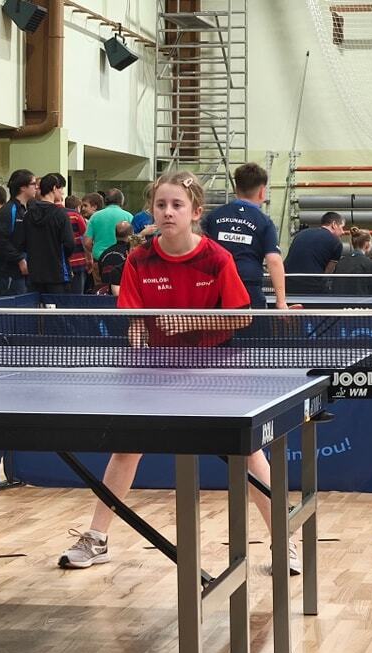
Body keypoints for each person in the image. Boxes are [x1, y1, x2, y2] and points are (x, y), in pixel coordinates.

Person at [58, 171, 301, 575]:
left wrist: (191, 321)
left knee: (248, 453)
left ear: (195, 212)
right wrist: (138, 332)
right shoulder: (139, 259)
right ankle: (97, 537)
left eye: (177, 205)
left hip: (214, 367)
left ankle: (283, 539)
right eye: (161, 205)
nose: (168, 212)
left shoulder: (216, 258)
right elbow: (135, 316)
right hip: (158, 368)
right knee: (126, 449)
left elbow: (242, 317)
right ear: (151, 211)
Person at [202, 162, 287, 309]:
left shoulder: (213, 216)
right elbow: (274, 260)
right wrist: (281, 301)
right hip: (248, 289)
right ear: (262, 191)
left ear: (236, 189)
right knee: (253, 325)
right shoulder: (264, 222)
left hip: (215, 287)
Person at [20, 173, 75, 294]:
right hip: (57, 273)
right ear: (54, 188)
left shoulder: (28, 215)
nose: (62, 193)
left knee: (35, 305)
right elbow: (70, 243)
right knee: (57, 305)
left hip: (34, 273)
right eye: (61, 189)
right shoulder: (61, 215)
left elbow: (22, 242)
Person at [0, 169, 38, 295]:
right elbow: (2, 241)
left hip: (25, 271)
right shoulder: (8, 210)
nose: (36, 187)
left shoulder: (27, 209)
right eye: (33, 184)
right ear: (23, 187)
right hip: (9, 272)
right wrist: (20, 259)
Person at [283, 211, 345, 294]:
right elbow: (327, 274)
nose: (343, 232)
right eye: (342, 227)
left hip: (288, 285)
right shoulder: (336, 242)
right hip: (312, 288)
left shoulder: (300, 234)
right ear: (334, 224)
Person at [84, 188, 133, 278]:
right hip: (123, 261)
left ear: (105, 201)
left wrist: (95, 251)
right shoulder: (129, 216)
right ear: (121, 201)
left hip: (99, 260)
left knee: (101, 286)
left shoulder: (95, 217)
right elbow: (134, 241)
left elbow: (87, 242)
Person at [332, 226, 372, 295]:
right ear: (367, 244)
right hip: (361, 300)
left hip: (340, 300)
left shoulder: (340, 262)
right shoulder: (370, 264)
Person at [97, 221, 133, 295]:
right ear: (131, 234)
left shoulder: (104, 253)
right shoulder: (130, 255)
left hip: (104, 293)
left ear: (115, 234)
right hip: (122, 293)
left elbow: (100, 275)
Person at [64, 195, 89, 294]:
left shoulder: (60, 214)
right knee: (78, 292)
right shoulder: (76, 216)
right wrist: (89, 258)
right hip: (78, 260)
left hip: (65, 261)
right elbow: (85, 236)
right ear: (78, 207)